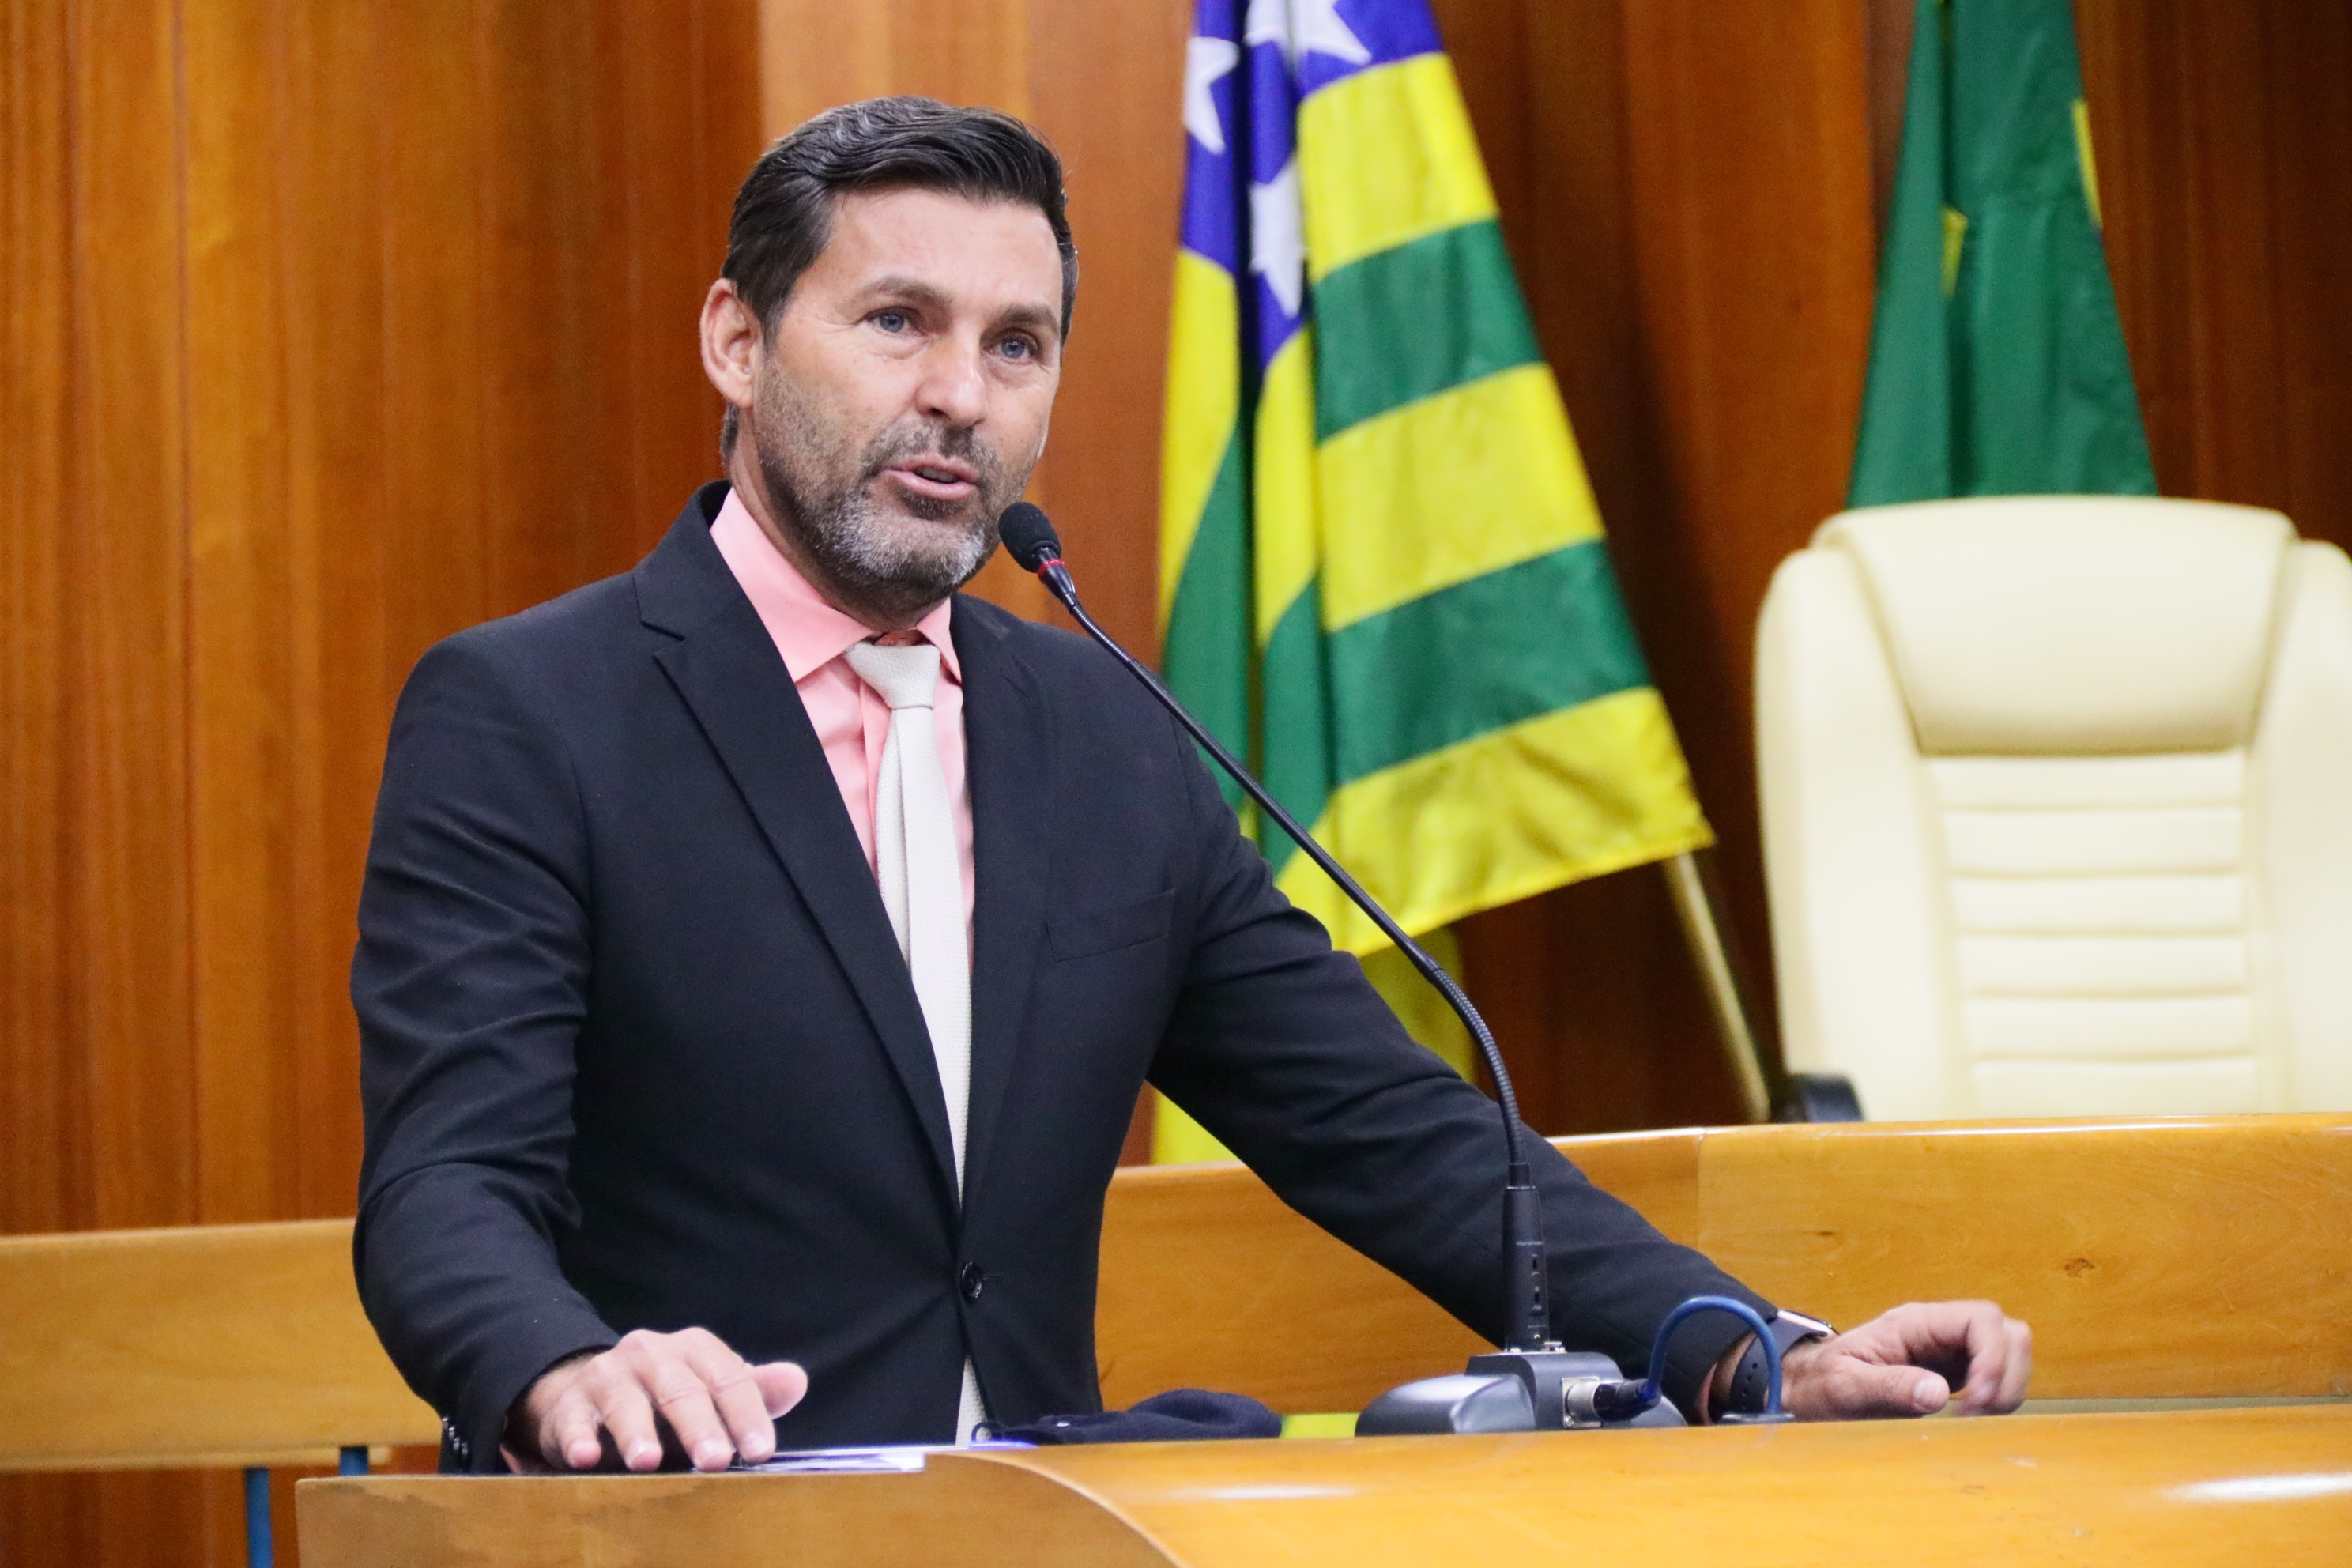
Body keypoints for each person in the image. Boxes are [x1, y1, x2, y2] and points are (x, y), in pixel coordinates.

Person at [353, 97, 2030, 1477]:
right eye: (897, 322)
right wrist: (560, 1360)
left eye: (1019, 344)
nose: (959, 394)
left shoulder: (1101, 728)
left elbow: (1387, 1130)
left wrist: (1754, 1349)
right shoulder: (533, 712)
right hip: (686, 1524)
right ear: (738, 339)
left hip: (1051, 1527)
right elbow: (447, 1182)